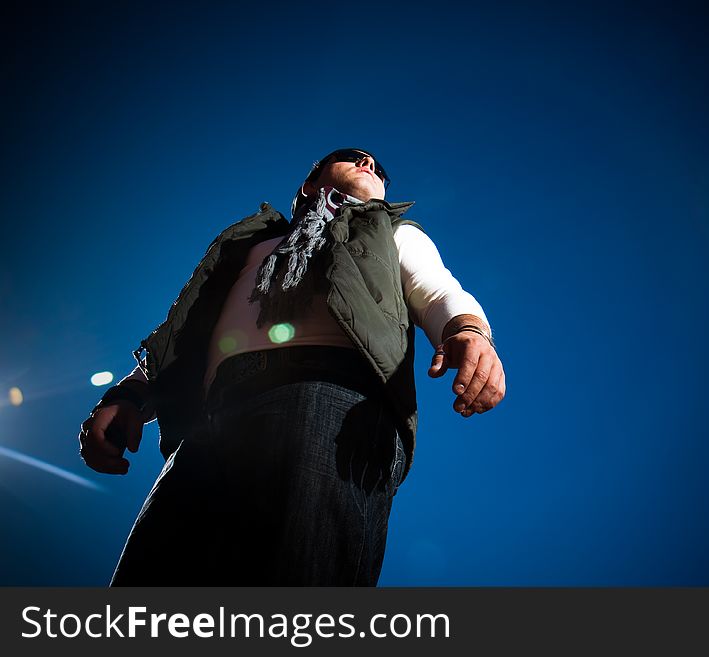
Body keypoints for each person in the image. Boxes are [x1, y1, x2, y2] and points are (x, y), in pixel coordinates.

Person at [77, 148, 506, 585]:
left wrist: (469, 332)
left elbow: (435, 291)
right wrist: (129, 395)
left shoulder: (389, 230)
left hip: (329, 399)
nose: (369, 166)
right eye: (352, 158)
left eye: (377, 168)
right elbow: (183, 331)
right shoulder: (248, 245)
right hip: (210, 422)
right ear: (309, 183)